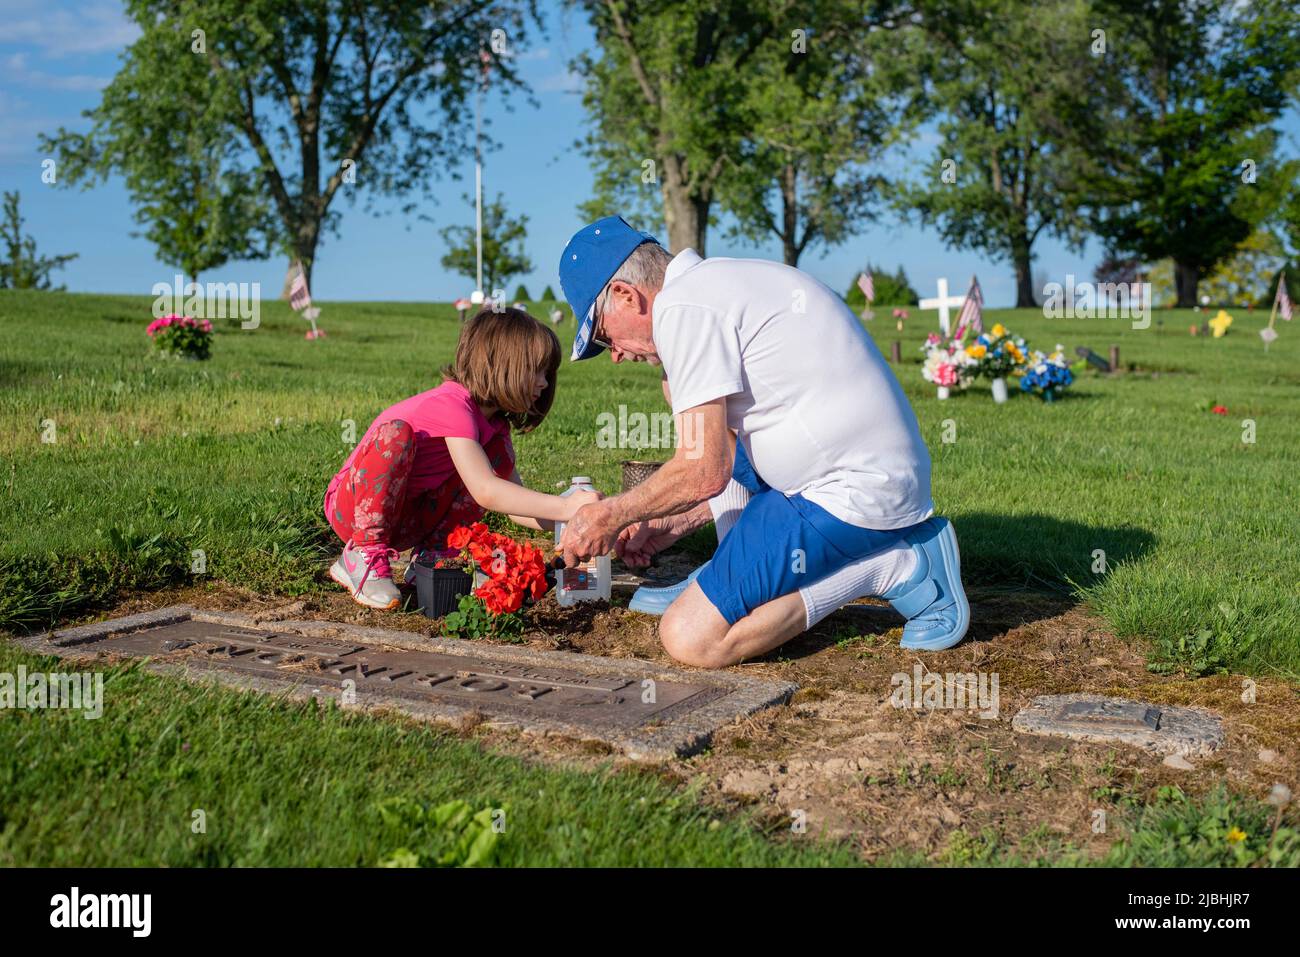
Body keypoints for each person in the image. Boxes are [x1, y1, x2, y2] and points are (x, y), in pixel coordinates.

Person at [555, 216, 969, 667]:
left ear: (625, 295)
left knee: (690, 637)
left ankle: (900, 565)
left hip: (852, 492)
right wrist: (673, 523)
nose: (614, 354)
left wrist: (612, 515)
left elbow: (703, 470)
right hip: (854, 470)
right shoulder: (709, 285)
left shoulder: (684, 311)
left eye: (601, 334)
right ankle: (728, 572)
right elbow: (720, 452)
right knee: (681, 392)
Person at [322, 307, 599, 609]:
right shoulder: (452, 405)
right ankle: (362, 554)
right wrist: (566, 506)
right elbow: (485, 491)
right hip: (354, 510)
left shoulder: (494, 429)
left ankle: (433, 558)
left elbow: (513, 505)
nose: (544, 383)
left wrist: (585, 517)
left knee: (494, 458)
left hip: (406, 519)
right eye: (536, 370)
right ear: (501, 364)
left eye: (548, 373)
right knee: (396, 435)